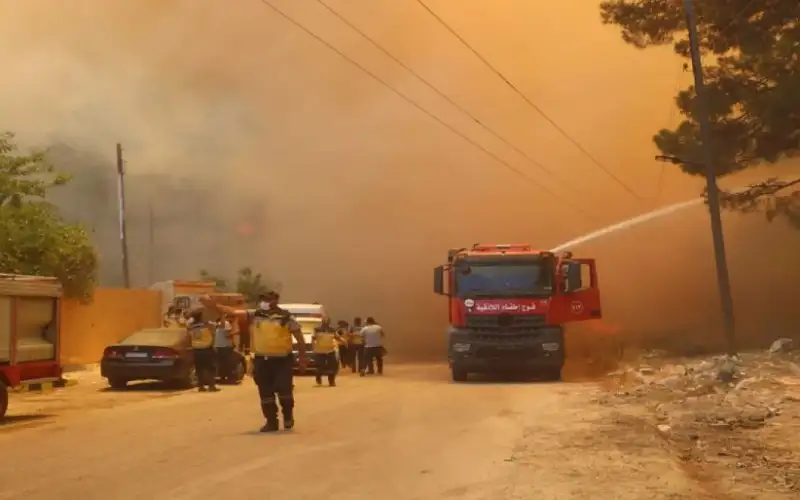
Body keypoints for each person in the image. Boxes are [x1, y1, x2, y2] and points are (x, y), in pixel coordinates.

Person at [201, 290, 307, 432]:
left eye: (267, 300)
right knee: (265, 392)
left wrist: (302, 357)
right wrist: (212, 305)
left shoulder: (286, 317)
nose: (264, 302)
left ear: (275, 301)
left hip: (282, 360)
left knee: (284, 390)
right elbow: (232, 312)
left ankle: (288, 416)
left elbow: (299, 337)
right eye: (262, 299)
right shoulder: (255, 315)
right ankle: (271, 422)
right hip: (262, 360)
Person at [187, 309, 219, 392]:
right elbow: (215, 330)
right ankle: (211, 386)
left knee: (199, 369)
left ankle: (201, 386)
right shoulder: (207, 325)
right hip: (207, 348)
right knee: (211, 368)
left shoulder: (191, 327)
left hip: (196, 349)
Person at [312, 316, 342, 387]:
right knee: (320, 367)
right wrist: (313, 348)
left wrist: (344, 341)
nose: (326, 322)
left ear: (329, 322)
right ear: (322, 322)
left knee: (333, 367)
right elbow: (313, 339)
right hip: (320, 351)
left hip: (330, 351)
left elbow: (338, 337)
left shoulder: (332, 330)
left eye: (327, 321)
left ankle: (331, 381)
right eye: (325, 321)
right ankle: (318, 377)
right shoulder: (316, 329)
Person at [214, 313, 239, 383]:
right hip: (225, 347)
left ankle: (222, 378)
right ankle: (230, 378)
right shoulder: (226, 323)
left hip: (219, 346)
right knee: (229, 363)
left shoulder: (219, 324)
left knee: (222, 363)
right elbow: (227, 335)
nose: (233, 320)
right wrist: (235, 332)